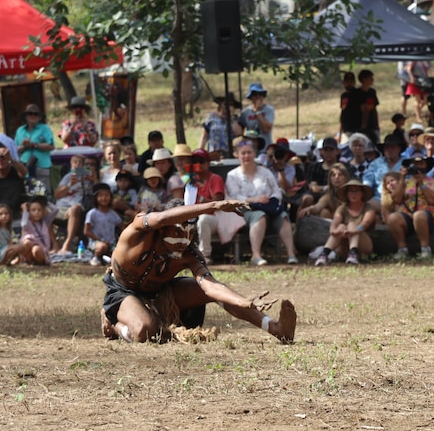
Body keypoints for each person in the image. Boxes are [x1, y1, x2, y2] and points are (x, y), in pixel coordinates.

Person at [100, 198, 296, 343]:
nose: (183, 241)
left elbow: (211, 287)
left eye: (190, 234)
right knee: (145, 331)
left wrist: (243, 302)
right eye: (177, 233)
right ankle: (114, 325)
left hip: (161, 293)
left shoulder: (189, 253)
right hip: (123, 293)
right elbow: (161, 218)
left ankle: (276, 328)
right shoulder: (139, 232)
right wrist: (213, 206)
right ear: (162, 229)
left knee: (210, 292)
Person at [225, 141, 298, 265]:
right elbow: (234, 196)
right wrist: (255, 200)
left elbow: (277, 190)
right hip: (245, 211)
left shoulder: (265, 172)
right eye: (243, 153)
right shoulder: (233, 175)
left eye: (249, 152)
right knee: (260, 216)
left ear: (255, 154)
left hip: (269, 207)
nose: (246, 156)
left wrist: (272, 200)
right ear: (237, 155)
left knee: (283, 217)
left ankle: (291, 254)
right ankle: (256, 255)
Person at [387, 153, 434, 259]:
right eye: (415, 164)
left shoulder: (433, 181)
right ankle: (402, 249)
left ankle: (425, 249)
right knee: (392, 218)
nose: (417, 166)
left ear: (426, 165)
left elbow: (433, 201)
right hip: (407, 214)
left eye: (421, 163)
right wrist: (402, 179)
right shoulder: (406, 182)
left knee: (418, 215)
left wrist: (421, 183)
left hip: (425, 215)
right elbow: (397, 200)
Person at [314, 179, 377, 266]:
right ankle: (324, 254)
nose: (353, 194)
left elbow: (365, 224)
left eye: (356, 191)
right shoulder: (342, 208)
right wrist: (336, 231)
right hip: (343, 247)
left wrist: (353, 231)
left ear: (362, 193)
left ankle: (353, 253)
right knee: (341, 226)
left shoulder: (369, 208)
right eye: (351, 191)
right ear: (347, 194)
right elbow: (334, 225)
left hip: (363, 246)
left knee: (352, 225)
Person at [53, 154, 94, 254]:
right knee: (45, 211)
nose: (77, 164)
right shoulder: (67, 177)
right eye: (75, 162)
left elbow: (97, 191)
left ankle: (67, 244)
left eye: (80, 163)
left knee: (75, 209)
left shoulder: (88, 177)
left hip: (76, 207)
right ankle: (54, 245)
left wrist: (93, 179)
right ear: (71, 165)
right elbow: (57, 195)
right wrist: (69, 185)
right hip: (61, 206)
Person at [15, 104, 55, 196]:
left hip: (42, 166)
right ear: (26, 116)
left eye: (35, 114)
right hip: (25, 167)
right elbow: (15, 150)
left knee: (44, 194)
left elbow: (51, 146)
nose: (33, 116)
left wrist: (34, 145)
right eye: (30, 113)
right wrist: (24, 146)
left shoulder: (45, 129)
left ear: (39, 117)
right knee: (27, 193)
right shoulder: (20, 130)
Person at [0, 145, 27, 222]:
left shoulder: (15, 173)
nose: (0, 160)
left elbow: (24, 172)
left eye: (3, 157)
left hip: (12, 215)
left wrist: (11, 159)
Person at [84, 183, 122, 266]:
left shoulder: (113, 213)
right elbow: (87, 231)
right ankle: (96, 257)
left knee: (121, 253)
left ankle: (106, 258)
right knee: (102, 247)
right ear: (96, 198)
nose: (104, 198)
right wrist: (100, 240)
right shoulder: (92, 213)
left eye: (107, 195)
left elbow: (121, 226)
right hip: (97, 242)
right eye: (101, 195)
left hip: (111, 243)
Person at [199, 93, 243, 160]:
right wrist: (200, 151)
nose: (227, 107)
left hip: (230, 154)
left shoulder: (236, 120)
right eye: (226, 104)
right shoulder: (212, 117)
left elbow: (239, 135)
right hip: (213, 153)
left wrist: (231, 117)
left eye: (231, 105)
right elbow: (205, 136)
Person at [19, 195, 55, 265]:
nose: (37, 212)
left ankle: (39, 261)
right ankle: (23, 259)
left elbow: (55, 210)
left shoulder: (45, 222)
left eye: (39, 210)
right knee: (27, 242)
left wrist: (44, 202)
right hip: (29, 249)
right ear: (29, 212)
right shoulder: (28, 222)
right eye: (33, 210)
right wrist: (25, 211)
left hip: (41, 250)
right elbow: (24, 224)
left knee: (36, 250)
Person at [239, 82, 274, 148]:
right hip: (251, 148)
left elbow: (266, 129)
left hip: (266, 147)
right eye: (255, 94)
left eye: (260, 94)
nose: (258, 97)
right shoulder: (245, 112)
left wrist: (257, 112)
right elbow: (241, 132)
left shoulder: (269, 110)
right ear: (251, 97)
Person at [357, 69, 380, 144]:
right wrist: (363, 127)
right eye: (370, 78)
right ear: (364, 79)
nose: (372, 80)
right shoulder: (358, 93)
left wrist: (377, 123)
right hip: (363, 124)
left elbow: (374, 108)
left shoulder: (372, 92)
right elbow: (364, 110)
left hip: (373, 124)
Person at [339, 71, 361, 139]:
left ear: (354, 82)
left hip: (357, 128)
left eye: (351, 82)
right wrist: (339, 132)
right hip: (346, 129)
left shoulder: (359, 94)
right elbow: (343, 112)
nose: (349, 84)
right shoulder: (344, 95)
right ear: (343, 82)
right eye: (347, 82)